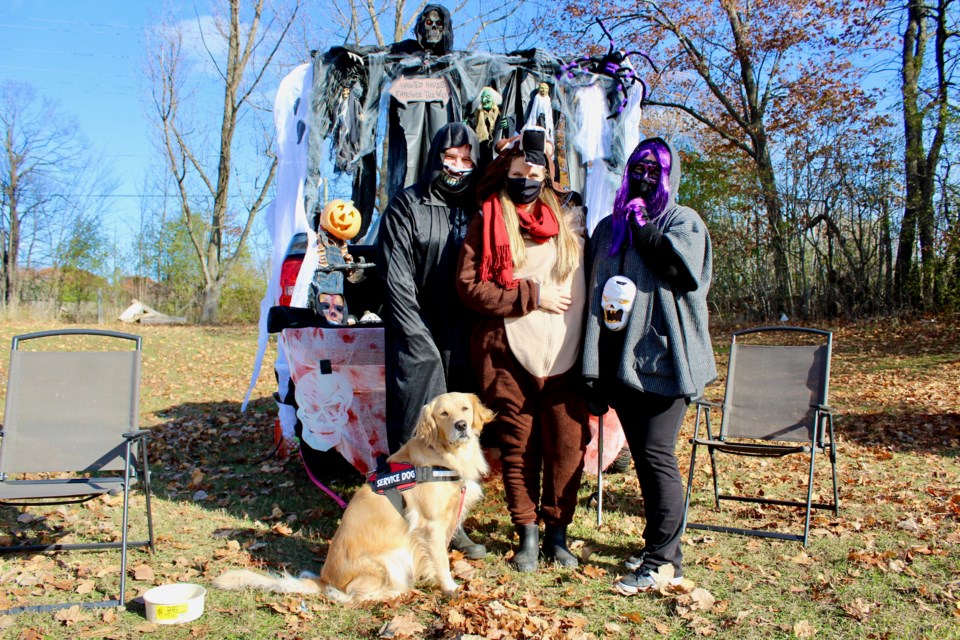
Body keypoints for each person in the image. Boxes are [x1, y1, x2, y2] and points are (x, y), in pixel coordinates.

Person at [581, 136, 717, 594]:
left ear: (669, 176)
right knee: (642, 457)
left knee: (658, 457)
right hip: (619, 361)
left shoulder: (683, 221)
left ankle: (664, 561)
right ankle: (658, 546)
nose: (643, 178)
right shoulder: (607, 228)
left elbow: (678, 272)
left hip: (662, 360)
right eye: (636, 169)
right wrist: (593, 366)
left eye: (653, 171)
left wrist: (641, 223)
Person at [456, 127, 589, 572]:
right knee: (519, 445)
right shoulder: (489, 218)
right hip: (507, 351)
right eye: (518, 171)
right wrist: (531, 296)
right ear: (506, 173)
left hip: (566, 352)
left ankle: (558, 533)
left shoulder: (569, 221)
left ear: (547, 177)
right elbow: (470, 287)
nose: (526, 178)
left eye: (534, 172)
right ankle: (527, 533)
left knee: (568, 446)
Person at [377, 122, 486, 559]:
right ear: (435, 156)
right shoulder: (407, 205)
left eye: (466, 159)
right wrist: (420, 345)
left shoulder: (479, 207)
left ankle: (449, 524)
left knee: (459, 436)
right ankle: (402, 520)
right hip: (415, 333)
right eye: (449, 157)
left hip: (463, 334)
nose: (457, 167)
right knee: (418, 434)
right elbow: (396, 280)